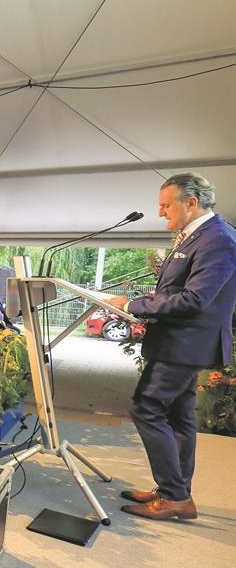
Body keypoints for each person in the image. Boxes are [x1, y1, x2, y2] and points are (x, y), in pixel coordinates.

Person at [104, 173, 236, 521]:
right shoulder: (197, 236)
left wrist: (134, 305)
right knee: (178, 417)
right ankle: (174, 491)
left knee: (146, 407)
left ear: (191, 203)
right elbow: (177, 290)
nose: (161, 212)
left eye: (166, 205)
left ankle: (175, 496)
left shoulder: (218, 239)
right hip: (180, 342)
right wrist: (144, 301)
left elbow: (194, 300)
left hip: (185, 343)